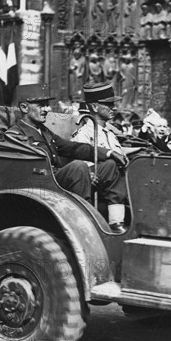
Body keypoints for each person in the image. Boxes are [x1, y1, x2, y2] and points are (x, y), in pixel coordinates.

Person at [6, 84, 128, 233]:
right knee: (78, 167)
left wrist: (109, 153)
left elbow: (72, 147)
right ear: (24, 108)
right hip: (40, 184)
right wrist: (84, 172)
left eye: (47, 105)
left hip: (53, 180)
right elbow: (30, 167)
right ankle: (87, 222)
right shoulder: (15, 135)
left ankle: (116, 222)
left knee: (110, 165)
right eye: (41, 106)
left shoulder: (44, 131)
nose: (48, 109)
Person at [71, 83, 130, 231]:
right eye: (109, 104)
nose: (114, 108)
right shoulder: (83, 134)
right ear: (95, 107)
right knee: (111, 164)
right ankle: (116, 222)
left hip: (115, 183)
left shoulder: (110, 134)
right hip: (96, 182)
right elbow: (81, 166)